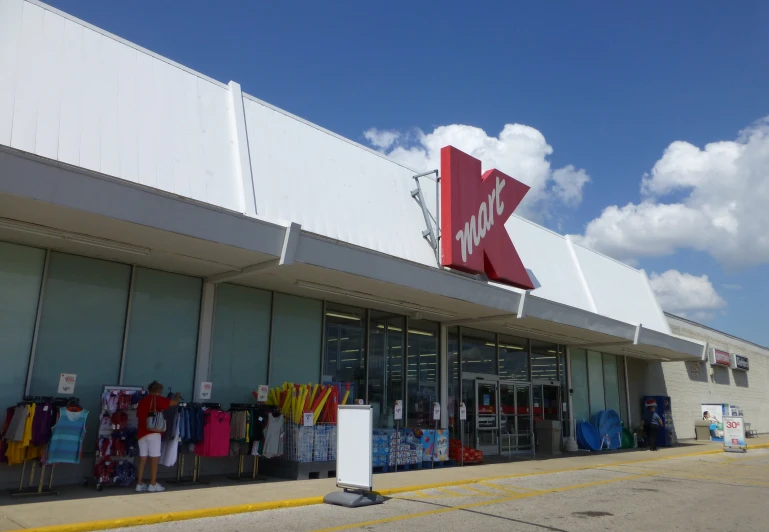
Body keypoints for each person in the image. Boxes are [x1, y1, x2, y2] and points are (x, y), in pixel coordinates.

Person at [135, 381, 180, 493]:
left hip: (141, 433)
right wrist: (177, 396)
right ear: (159, 391)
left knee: (143, 459)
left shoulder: (142, 401)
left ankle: (139, 484)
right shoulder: (158, 399)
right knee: (154, 459)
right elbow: (174, 403)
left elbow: (138, 415)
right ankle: (153, 484)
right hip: (154, 433)